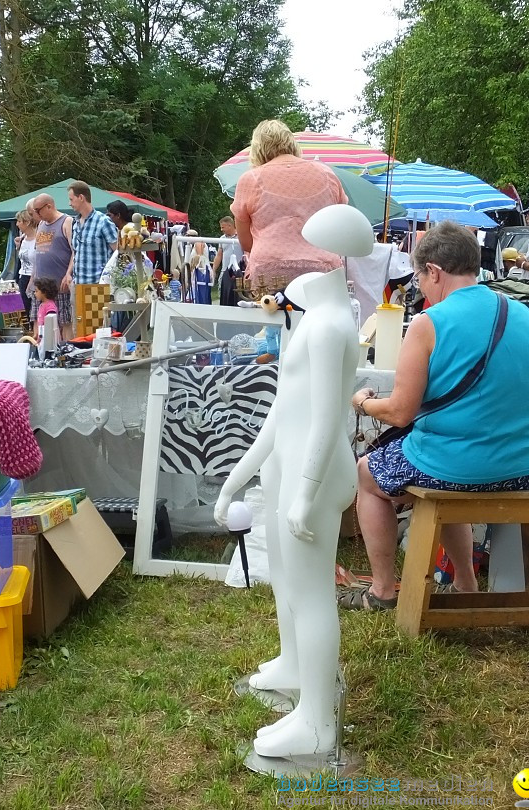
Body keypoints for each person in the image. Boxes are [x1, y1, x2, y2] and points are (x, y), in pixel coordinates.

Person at [340, 221, 529, 611]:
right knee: (445, 463)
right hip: (527, 465)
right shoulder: (521, 313)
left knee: (367, 474)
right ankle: (466, 586)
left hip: (458, 465)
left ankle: (382, 591)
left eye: (420, 276)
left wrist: (363, 403)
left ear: (434, 271)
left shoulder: (428, 322)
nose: (420, 286)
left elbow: (401, 413)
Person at [215, 267, 358, 758]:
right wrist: (235, 481)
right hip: (294, 468)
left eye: (283, 304)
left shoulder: (326, 325)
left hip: (310, 475)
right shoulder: (317, 320)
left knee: (311, 594)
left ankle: (317, 723)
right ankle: (305, 691)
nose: (279, 308)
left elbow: (325, 418)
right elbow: (281, 416)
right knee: (292, 585)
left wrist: (306, 492)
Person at [230, 119, 347, 292]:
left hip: (270, 272)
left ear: (257, 148)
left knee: (271, 317)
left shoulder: (251, 179)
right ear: (292, 143)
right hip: (324, 271)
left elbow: (246, 243)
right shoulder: (326, 173)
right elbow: (341, 221)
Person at [32, 192, 76, 340]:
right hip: (42, 285)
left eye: (38, 210)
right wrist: (33, 277)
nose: (37, 214)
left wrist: (68, 273)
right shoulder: (41, 224)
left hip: (59, 284)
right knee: (41, 319)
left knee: (64, 321)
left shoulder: (66, 221)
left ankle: (66, 349)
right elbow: (37, 252)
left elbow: (75, 251)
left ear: (49, 206)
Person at [68, 180, 119, 286]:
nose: (70, 203)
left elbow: (118, 252)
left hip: (98, 285)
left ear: (81, 198)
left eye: (71, 199)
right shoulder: (75, 223)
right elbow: (76, 253)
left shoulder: (103, 221)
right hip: (77, 284)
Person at [213, 215, 243, 306]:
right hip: (224, 271)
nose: (221, 229)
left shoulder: (241, 237)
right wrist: (213, 269)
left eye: (223, 227)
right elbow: (219, 255)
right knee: (223, 295)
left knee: (239, 295)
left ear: (230, 225)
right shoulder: (222, 239)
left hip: (239, 272)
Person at [14, 201, 39, 302]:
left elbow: (37, 261)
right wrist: (18, 247)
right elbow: (23, 258)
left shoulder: (38, 238)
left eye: (19, 221)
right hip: (22, 277)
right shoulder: (23, 239)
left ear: (27, 222)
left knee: (33, 308)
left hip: (34, 277)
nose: (17, 224)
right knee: (26, 308)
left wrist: (31, 282)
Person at [31, 276, 60, 343]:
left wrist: (43, 336)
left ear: (44, 292)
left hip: (49, 338)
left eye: (36, 291)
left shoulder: (50, 306)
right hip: (43, 336)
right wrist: (38, 334)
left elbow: (50, 323)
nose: (35, 293)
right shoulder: (42, 305)